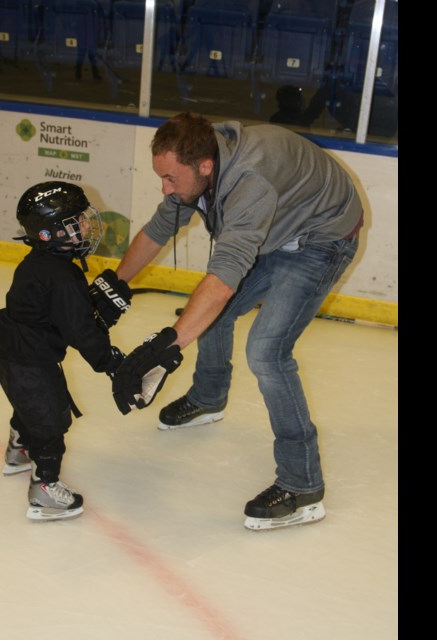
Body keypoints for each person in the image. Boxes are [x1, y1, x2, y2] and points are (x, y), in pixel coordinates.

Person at [92, 112, 364, 531]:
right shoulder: (201, 163)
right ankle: (208, 397)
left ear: (204, 166)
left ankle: (303, 485)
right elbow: (158, 229)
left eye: (170, 179)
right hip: (278, 225)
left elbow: (221, 281)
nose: (164, 188)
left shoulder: (249, 181)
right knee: (206, 315)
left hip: (321, 238)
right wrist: (114, 284)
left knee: (267, 353)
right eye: (161, 177)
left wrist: (163, 350)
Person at [0, 181, 125, 522]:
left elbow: (49, 311)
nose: (85, 227)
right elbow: (79, 331)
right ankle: (44, 489)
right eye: (75, 222)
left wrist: (83, 307)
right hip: (32, 364)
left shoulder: (38, 262)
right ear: (50, 233)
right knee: (50, 421)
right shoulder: (63, 276)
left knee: (28, 404)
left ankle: (19, 451)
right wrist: (109, 361)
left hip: (9, 355)